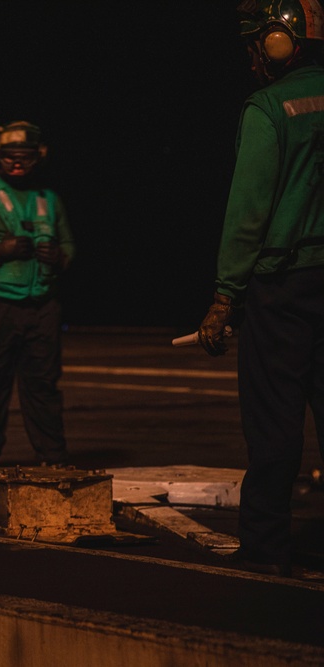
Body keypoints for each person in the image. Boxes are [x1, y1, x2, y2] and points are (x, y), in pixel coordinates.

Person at [196, 0, 324, 578]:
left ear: (278, 44)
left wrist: (226, 296)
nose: (252, 58)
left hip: (285, 289)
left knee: (274, 423)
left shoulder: (269, 107)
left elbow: (248, 211)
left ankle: (266, 551)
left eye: (256, 45)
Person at [0, 121, 75, 467]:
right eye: (9, 157)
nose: (17, 163)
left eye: (25, 157)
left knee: (44, 387)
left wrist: (62, 257)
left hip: (42, 305)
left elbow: (68, 242)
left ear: (39, 157)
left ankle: (53, 459)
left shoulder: (48, 199)